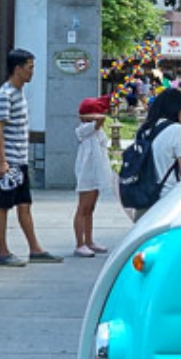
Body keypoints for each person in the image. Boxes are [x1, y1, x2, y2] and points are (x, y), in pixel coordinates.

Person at [0, 49, 62, 266]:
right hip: (7, 161)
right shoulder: (5, 94)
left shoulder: (18, 92)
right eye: (30, 67)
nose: (32, 72)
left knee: (24, 204)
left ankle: (35, 249)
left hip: (19, 160)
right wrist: (2, 162)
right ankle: (3, 252)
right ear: (18, 69)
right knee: (3, 205)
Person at [137, 88, 181, 203]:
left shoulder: (144, 130)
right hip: (168, 199)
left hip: (144, 196)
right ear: (180, 109)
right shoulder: (176, 130)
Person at [73, 95, 114, 257]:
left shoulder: (96, 130)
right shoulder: (84, 129)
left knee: (90, 209)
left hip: (95, 172)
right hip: (86, 173)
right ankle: (79, 243)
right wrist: (91, 115)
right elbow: (99, 120)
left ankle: (89, 240)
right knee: (83, 208)